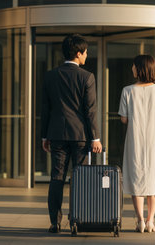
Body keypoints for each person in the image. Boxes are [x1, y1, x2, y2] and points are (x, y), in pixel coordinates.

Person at [41, 34, 102, 233]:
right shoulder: (87, 77)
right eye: (85, 52)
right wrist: (95, 137)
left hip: (57, 134)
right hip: (81, 137)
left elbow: (45, 108)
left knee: (57, 177)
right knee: (80, 179)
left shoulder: (50, 75)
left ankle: (54, 222)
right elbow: (90, 110)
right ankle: (77, 221)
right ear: (78, 53)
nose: (87, 55)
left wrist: (44, 136)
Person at [118, 54, 155, 233]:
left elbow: (124, 120)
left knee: (136, 179)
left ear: (140, 69)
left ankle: (140, 220)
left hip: (135, 140)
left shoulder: (127, 90)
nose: (132, 69)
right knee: (154, 180)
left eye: (133, 66)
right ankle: (150, 221)